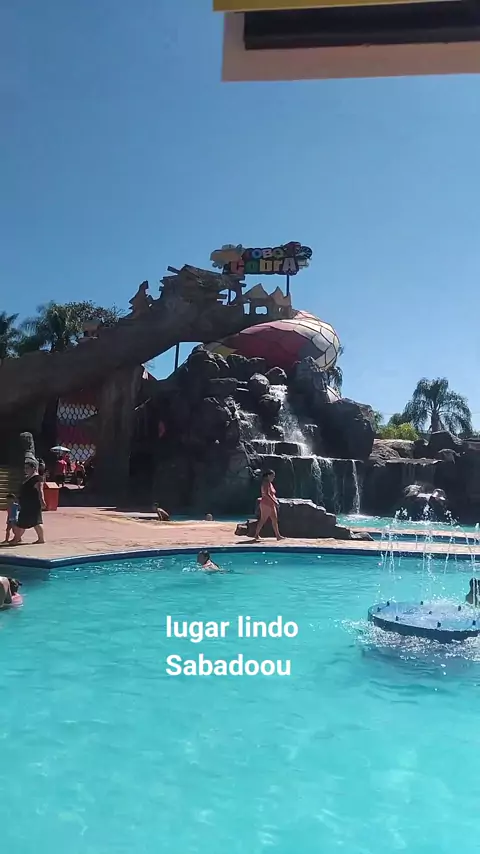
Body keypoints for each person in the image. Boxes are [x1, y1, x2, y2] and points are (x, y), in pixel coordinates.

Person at [11, 461, 46, 545]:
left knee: (30, 521)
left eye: (27, 468)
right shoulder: (28, 478)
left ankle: (17, 539)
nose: (25, 470)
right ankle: (18, 538)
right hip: (26, 503)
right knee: (33, 521)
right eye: (25, 468)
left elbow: (40, 491)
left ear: (33, 468)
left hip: (32, 503)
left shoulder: (37, 478)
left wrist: (42, 501)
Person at [254, 470, 283, 541]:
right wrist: (275, 502)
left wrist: (274, 502)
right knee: (263, 520)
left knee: (274, 519)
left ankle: (278, 536)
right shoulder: (265, 483)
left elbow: (272, 494)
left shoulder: (270, 483)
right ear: (268, 476)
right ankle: (256, 534)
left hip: (271, 504)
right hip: (266, 504)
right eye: (272, 476)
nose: (273, 477)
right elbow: (267, 494)